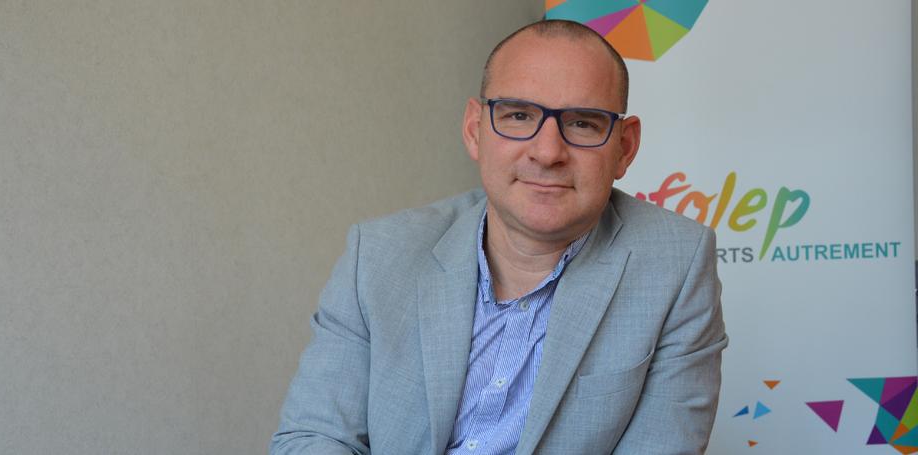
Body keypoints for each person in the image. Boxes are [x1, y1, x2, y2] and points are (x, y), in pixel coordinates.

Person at [271, 19, 727, 455]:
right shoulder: (377, 255)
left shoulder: (676, 266)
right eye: (519, 115)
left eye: (583, 123)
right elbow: (314, 436)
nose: (547, 152)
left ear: (624, 147)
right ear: (475, 131)